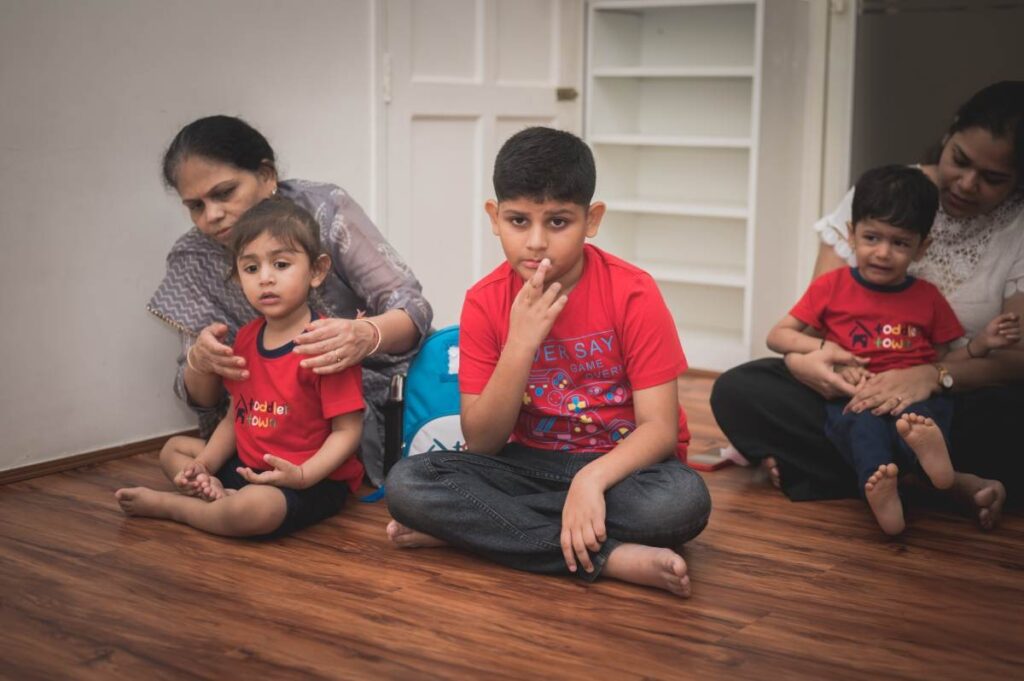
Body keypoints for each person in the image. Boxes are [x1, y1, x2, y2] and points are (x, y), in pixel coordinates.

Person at [382, 127, 711, 597]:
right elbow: (483, 441)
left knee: (682, 503)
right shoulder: (484, 301)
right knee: (409, 484)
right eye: (518, 221)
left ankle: (488, 532)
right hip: (529, 465)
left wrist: (591, 481)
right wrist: (520, 343)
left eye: (558, 222)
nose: (536, 242)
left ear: (591, 219)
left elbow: (658, 429)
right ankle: (608, 557)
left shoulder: (633, 292)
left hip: (624, 473)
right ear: (494, 218)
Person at [712, 81, 1024, 529]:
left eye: (993, 178)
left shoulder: (1013, 230)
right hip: (852, 385)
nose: (967, 184)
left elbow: (1014, 359)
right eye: (960, 160)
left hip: (952, 393)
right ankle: (940, 482)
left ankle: (848, 473)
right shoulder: (884, 192)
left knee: (1008, 418)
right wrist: (811, 368)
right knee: (739, 390)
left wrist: (933, 376)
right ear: (949, 134)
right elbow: (809, 329)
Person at [148, 115, 432, 486]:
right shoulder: (193, 256)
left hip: (360, 395)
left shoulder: (322, 209)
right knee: (177, 452)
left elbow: (412, 307)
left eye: (224, 193)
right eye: (196, 206)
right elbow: (203, 400)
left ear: (267, 176)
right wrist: (201, 363)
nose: (212, 216)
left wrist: (365, 334)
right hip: (266, 421)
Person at [766, 165, 1019, 534]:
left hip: (913, 398)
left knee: (920, 420)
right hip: (857, 397)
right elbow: (778, 336)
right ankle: (885, 490)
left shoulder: (927, 298)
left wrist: (982, 345)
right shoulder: (832, 287)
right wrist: (828, 350)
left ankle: (932, 462)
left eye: (899, 243)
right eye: (872, 238)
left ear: (922, 247)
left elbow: (944, 360)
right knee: (862, 427)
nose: (883, 253)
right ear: (851, 236)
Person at [117, 198, 365, 537]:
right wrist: (203, 466)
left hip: (307, 480)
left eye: (280, 264)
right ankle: (212, 490)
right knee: (174, 449)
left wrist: (303, 474)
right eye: (251, 268)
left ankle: (176, 507)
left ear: (317, 271)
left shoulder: (326, 343)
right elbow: (237, 417)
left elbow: (347, 433)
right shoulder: (246, 339)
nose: (265, 278)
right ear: (238, 276)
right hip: (248, 465)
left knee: (254, 509)